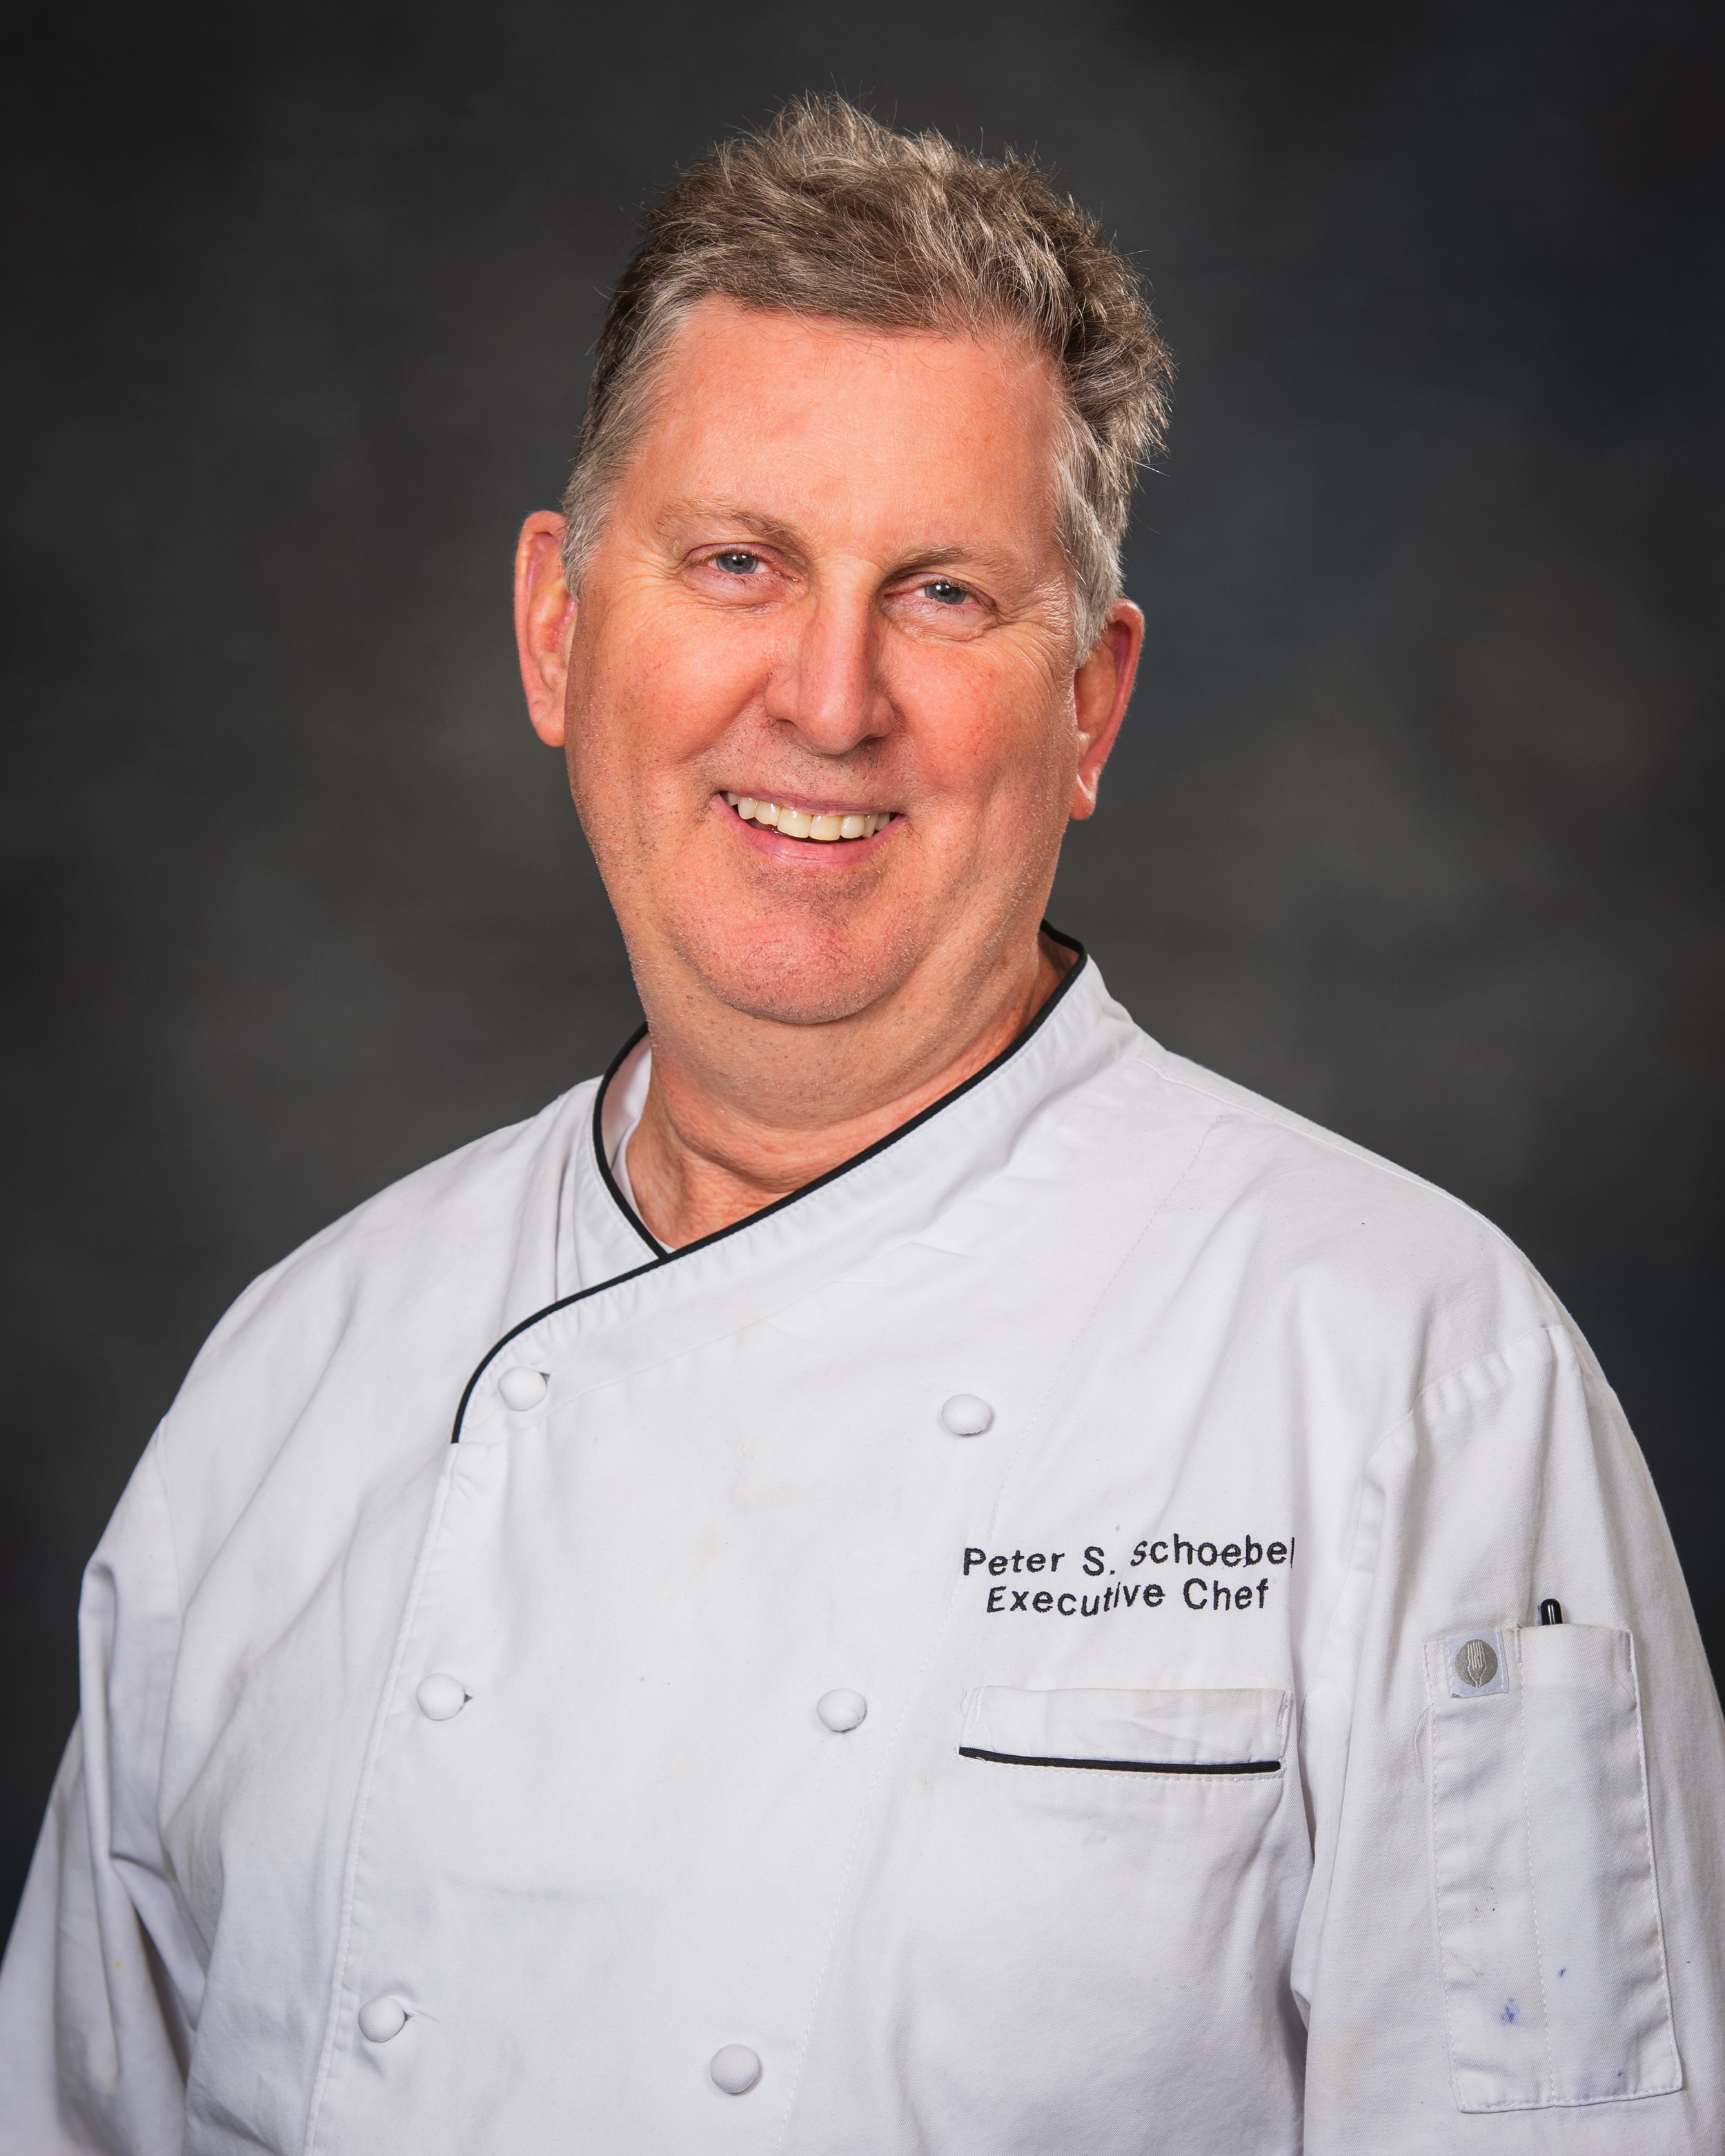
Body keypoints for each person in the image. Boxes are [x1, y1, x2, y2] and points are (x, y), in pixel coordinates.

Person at [1, 96, 1720, 2156]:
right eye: (737, 562)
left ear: (1088, 703)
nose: (826, 698)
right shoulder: (294, 1388)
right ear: (559, 627)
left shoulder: (1421, 1384)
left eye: (941, 595)